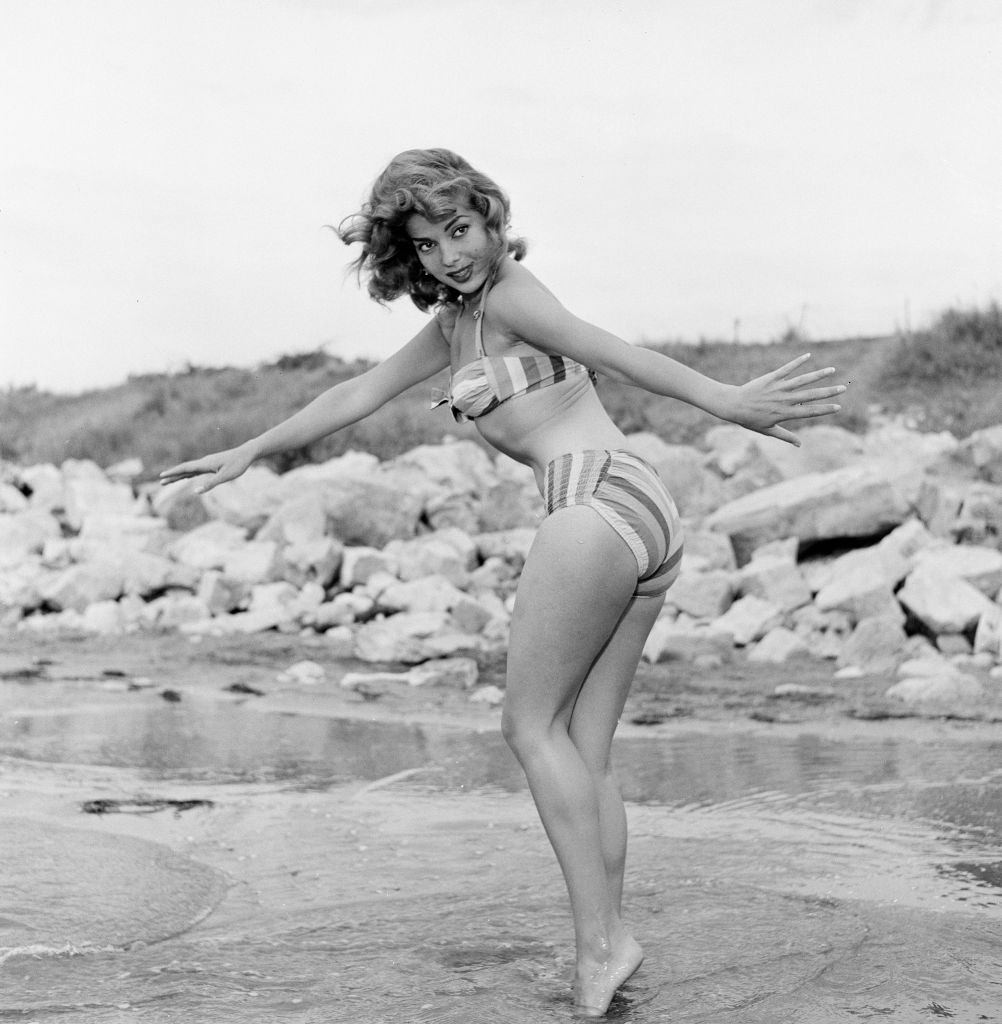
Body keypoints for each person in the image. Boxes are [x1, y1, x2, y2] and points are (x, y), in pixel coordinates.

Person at [160, 148, 845, 1016]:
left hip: (596, 498)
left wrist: (726, 400)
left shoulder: (515, 295)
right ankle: (611, 939)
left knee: (528, 727)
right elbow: (359, 391)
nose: (452, 253)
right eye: (429, 242)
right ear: (408, 256)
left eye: (462, 228)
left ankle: (602, 946)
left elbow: (615, 353)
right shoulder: (455, 327)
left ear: (491, 220)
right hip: (639, 510)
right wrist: (254, 448)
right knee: (582, 749)